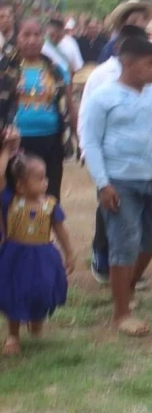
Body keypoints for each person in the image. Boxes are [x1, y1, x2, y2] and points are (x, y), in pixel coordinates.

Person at [81, 38, 152, 337]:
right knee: (124, 242)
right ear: (127, 62)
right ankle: (120, 313)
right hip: (119, 180)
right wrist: (102, 183)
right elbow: (91, 141)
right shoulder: (104, 96)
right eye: (149, 64)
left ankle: (129, 287)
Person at [0, 127, 75, 355]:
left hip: (43, 256)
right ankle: (13, 334)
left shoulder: (49, 204)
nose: (45, 182)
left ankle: (37, 316)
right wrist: (7, 149)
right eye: (39, 179)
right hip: (15, 255)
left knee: (42, 289)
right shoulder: (9, 202)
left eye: (45, 178)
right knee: (15, 292)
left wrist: (69, 252)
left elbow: (60, 230)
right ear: (21, 185)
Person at [12, 18, 76, 201]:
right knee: (16, 195)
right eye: (26, 35)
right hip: (16, 143)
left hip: (51, 142)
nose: (32, 40)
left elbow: (69, 106)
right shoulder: (6, 70)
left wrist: (80, 138)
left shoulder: (56, 71)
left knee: (49, 195)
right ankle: (16, 230)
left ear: (43, 39)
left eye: (37, 35)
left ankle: (44, 229)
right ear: (17, 38)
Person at [98, 0, 152, 64]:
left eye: (143, 20)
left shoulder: (151, 48)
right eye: (134, 21)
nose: (139, 24)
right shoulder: (111, 47)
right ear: (123, 22)